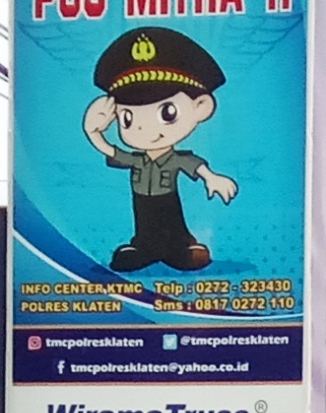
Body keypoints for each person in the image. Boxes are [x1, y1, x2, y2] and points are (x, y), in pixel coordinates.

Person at [81, 27, 234, 276]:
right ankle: (144, 249)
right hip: (143, 207)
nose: (142, 128)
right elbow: (111, 150)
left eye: (166, 112)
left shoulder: (175, 159)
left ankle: (181, 248)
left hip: (167, 205)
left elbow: (193, 164)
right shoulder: (137, 160)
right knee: (144, 233)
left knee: (175, 231)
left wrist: (212, 178)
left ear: (201, 107)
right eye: (127, 117)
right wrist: (93, 132)